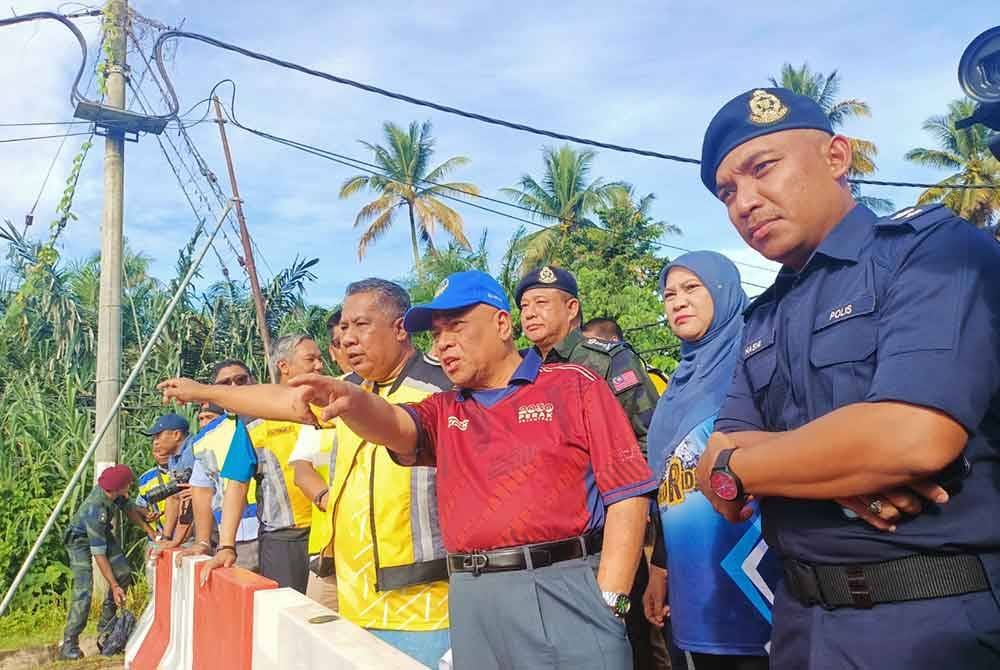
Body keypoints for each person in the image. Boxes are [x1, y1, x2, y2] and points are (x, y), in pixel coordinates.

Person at [697, 87, 1000, 669]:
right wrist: (840, 462)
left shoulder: (930, 252)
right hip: (800, 625)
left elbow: (911, 439)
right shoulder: (763, 316)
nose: (744, 203)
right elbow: (715, 479)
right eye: (727, 192)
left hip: (935, 619)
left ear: (837, 158)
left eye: (763, 169)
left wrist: (747, 464)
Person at [290, 271, 655, 670]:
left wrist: (611, 600)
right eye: (436, 333)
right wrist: (354, 402)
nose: (443, 342)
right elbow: (394, 425)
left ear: (502, 324)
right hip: (470, 597)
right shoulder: (444, 409)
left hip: (561, 589)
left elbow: (627, 492)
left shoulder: (573, 385)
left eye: (457, 326)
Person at [160, 279, 452, 668]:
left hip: (427, 603)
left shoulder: (443, 386)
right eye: (344, 327)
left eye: (361, 325)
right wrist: (205, 392)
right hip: (355, 597)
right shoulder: (348, 390)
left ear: (400, 328)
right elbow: (281, 399)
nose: (348, 338)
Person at [518, 265, 661, 670]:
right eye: (525, 305)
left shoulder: (606, 360)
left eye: (542, 303)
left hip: (606, 537)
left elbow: (650, 437)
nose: (529, 313)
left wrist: (624, 509)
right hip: (546, 542)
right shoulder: (520, 371)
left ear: (572, 308)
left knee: (622, 644)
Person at [643, 252, 779, 670]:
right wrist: (661, 570)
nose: (677, 302)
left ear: (722, 290)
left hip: (758, 571)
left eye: (691, 288)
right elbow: (670, 486)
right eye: (668, 294)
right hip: (696, 582)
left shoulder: (756, 358)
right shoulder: (675, 388)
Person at [288, 307, 356, 612]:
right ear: (334, 349)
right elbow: (301, 468)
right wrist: (328, 498)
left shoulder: (406, 390)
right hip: (329, 548)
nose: (353, 345)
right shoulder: (321, 397)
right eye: (343, 341)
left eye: (359, 334)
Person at [60, 465, 157, 661]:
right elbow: (99, 554)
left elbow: (129, 507)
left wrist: (148, 528)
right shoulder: (95, 509)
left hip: (101, 533)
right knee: (84, 590)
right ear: (119, 487)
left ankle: (108, 626)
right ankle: (69, 643)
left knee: (123, 573)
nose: (130, 486)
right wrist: (113, 586)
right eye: (128, 484)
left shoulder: (113, 490)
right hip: (79, 541)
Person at [176, 360, 262, 572]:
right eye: (225, 383)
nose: (234, 387)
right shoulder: (205, 438)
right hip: (232, 540)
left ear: (254, 381)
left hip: (280, 533)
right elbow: (202, 489)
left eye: (241, 380)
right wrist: (203, 542)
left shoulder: (278, 416)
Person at [138, 413, 192, 547]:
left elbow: (191, 500)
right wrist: (166, 538)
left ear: (176, 435)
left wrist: (177, 540)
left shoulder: (192, 453)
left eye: (158, 436)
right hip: (183, 530)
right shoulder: (174, 458)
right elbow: (173, 497)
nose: (155, 441)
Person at [582, 316, 670, 395]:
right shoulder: (593, 380)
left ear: (614, 342)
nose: (588, 350)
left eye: (593, 343)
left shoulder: (650, 377)